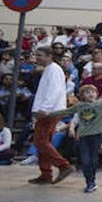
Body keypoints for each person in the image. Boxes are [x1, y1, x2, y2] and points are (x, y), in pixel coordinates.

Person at [48, 86, 102, 192]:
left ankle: (92, 182)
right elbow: (66, 111)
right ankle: (89, 181)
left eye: (93, 92)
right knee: (85, 160)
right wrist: (48, 114)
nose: (90, 94)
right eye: (87, 92)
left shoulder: (100, 103)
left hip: (96, 135)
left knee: (93, 159)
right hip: (83, 136)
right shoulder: (80, 106)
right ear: (82, 96)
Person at [29, 46, 75, 185]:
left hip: (49, 111)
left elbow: (54, 91)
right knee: (44, 142)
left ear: (49, 56)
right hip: (49, 110)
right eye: (36, 55)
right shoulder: (50, 69)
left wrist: (44, 108)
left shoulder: (53, 69)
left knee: (40, 141)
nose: (37, 58)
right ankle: (45, 173)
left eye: (40, 55)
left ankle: (63, 165)